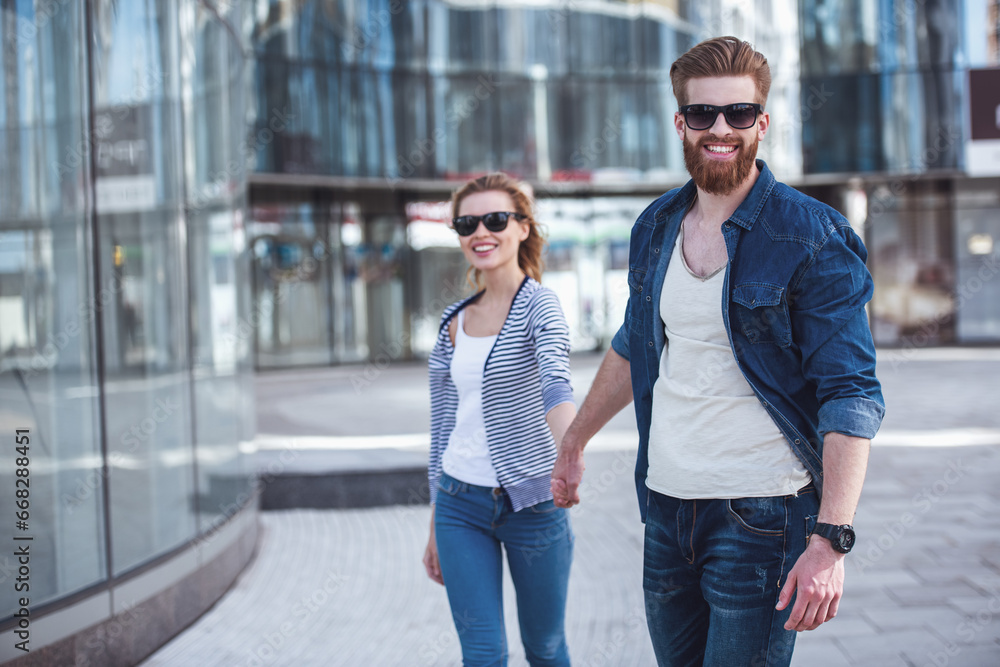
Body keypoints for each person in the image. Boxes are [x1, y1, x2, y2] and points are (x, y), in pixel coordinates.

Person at [551, 36, 885, 667]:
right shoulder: (654, 227)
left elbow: (851, 392)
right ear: (682, 123)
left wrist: (832, 538)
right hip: (667, 510)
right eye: (703, 114)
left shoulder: (812, 236)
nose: (720, 129)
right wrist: (573, 444)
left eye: (738, 113)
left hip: (764, 516)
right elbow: (635, 344)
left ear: (762, 122)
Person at [423, 172, 578, 666]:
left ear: (523, 229)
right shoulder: (453, 320)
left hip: (533, 505)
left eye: (494, 219)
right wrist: (433, 520)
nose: (480, 233)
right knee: (484, 653)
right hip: (457, 506)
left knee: (546, 648)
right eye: (467, 223)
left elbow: (556, 381)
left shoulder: (540, 307)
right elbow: (443, 427)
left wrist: (569, 452)